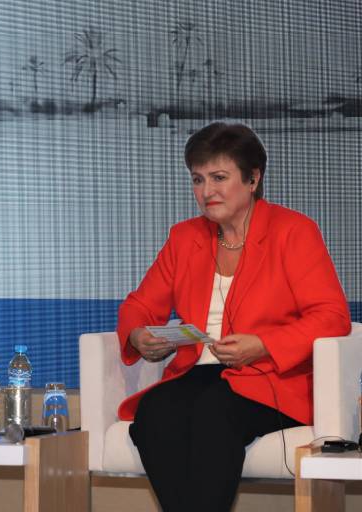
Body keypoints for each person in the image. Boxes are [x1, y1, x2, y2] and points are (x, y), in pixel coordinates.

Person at [117, 122, 351, 512]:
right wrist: (138, 335)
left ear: (253, 179)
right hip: (199, 374)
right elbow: (139, 305)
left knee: (213, 413)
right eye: (198, 179)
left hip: (271, 377)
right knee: (155, 413)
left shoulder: (294, 231)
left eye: (219, 177)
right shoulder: (184, 237)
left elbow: (332, 317)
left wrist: (263, 344)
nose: (206, 191)